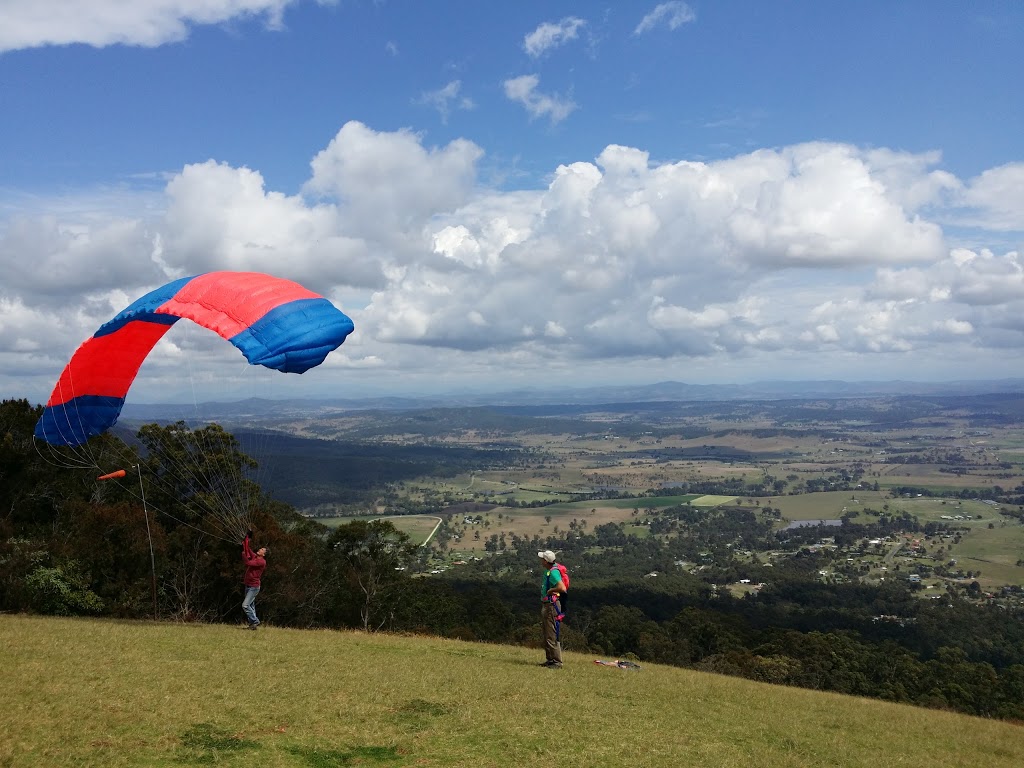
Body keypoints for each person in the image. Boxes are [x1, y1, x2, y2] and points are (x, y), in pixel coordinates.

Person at [538, 550, 566, 668]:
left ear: (545, 561)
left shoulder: (553, 573)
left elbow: (562, 587)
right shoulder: (550, 571)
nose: (541, 561)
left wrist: (550, 591)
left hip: (551, 606)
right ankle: (550, 659)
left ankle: (556, 661)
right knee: (547, 633)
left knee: (551, 633)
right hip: (547, 605)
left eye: (542, 559)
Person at [241, 529, 268, 630]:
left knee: (245, 605)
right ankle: (253, 625)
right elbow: (249, 550)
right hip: (248, 585)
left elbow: (248, 563)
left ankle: (255, 621)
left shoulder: (261, 562)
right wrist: (247, 540)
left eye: (262, 550)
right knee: (251, 606)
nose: (259, 550)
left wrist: (243, 553)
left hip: (254, 587)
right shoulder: (256, 557)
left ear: (263, 554)